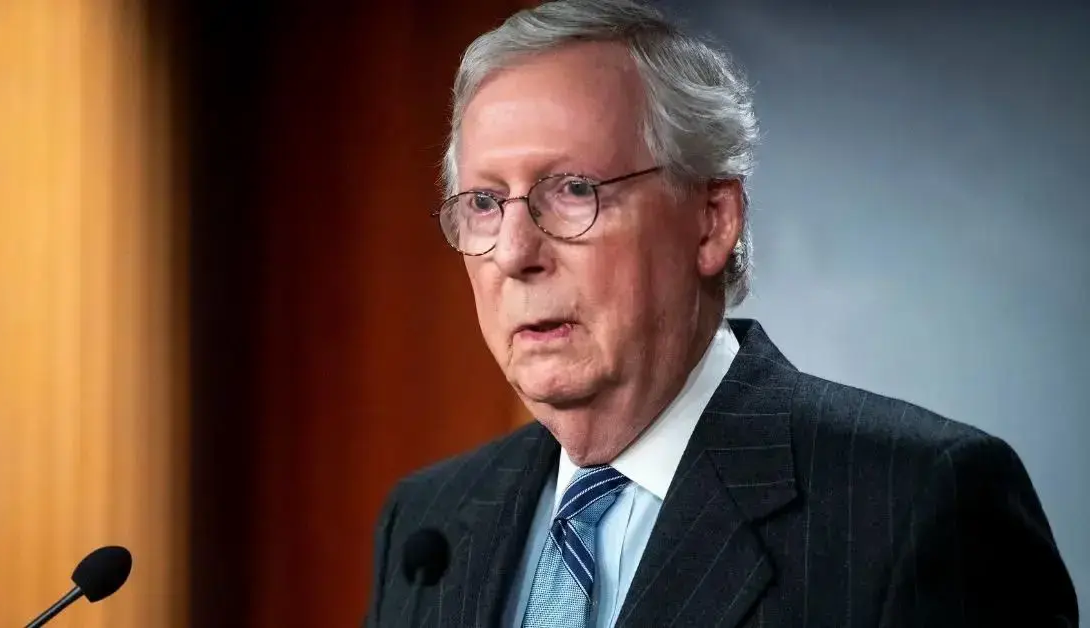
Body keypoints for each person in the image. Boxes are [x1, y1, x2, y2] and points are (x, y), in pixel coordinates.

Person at [364, 1, 1079, 626]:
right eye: (485, 204)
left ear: (711, 221)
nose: (516, 252)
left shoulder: (916, 504)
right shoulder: (430, 523)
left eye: (574, 190)